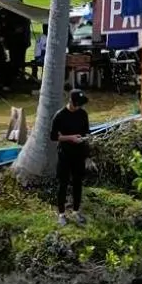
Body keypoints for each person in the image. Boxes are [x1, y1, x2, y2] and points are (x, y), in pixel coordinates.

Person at [50, 88, 91, 226]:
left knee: (78, 183)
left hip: (79, 154)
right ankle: (61, 214)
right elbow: (53, 136)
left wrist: (84, 143)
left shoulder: (83, 114)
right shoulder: (60, 115)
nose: (79, 106)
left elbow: (87, 133)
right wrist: (70, 138)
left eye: (81, 104)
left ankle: (76, 211)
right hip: (65, 154)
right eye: (77, 103)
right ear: (70, 102)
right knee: (63, 183)